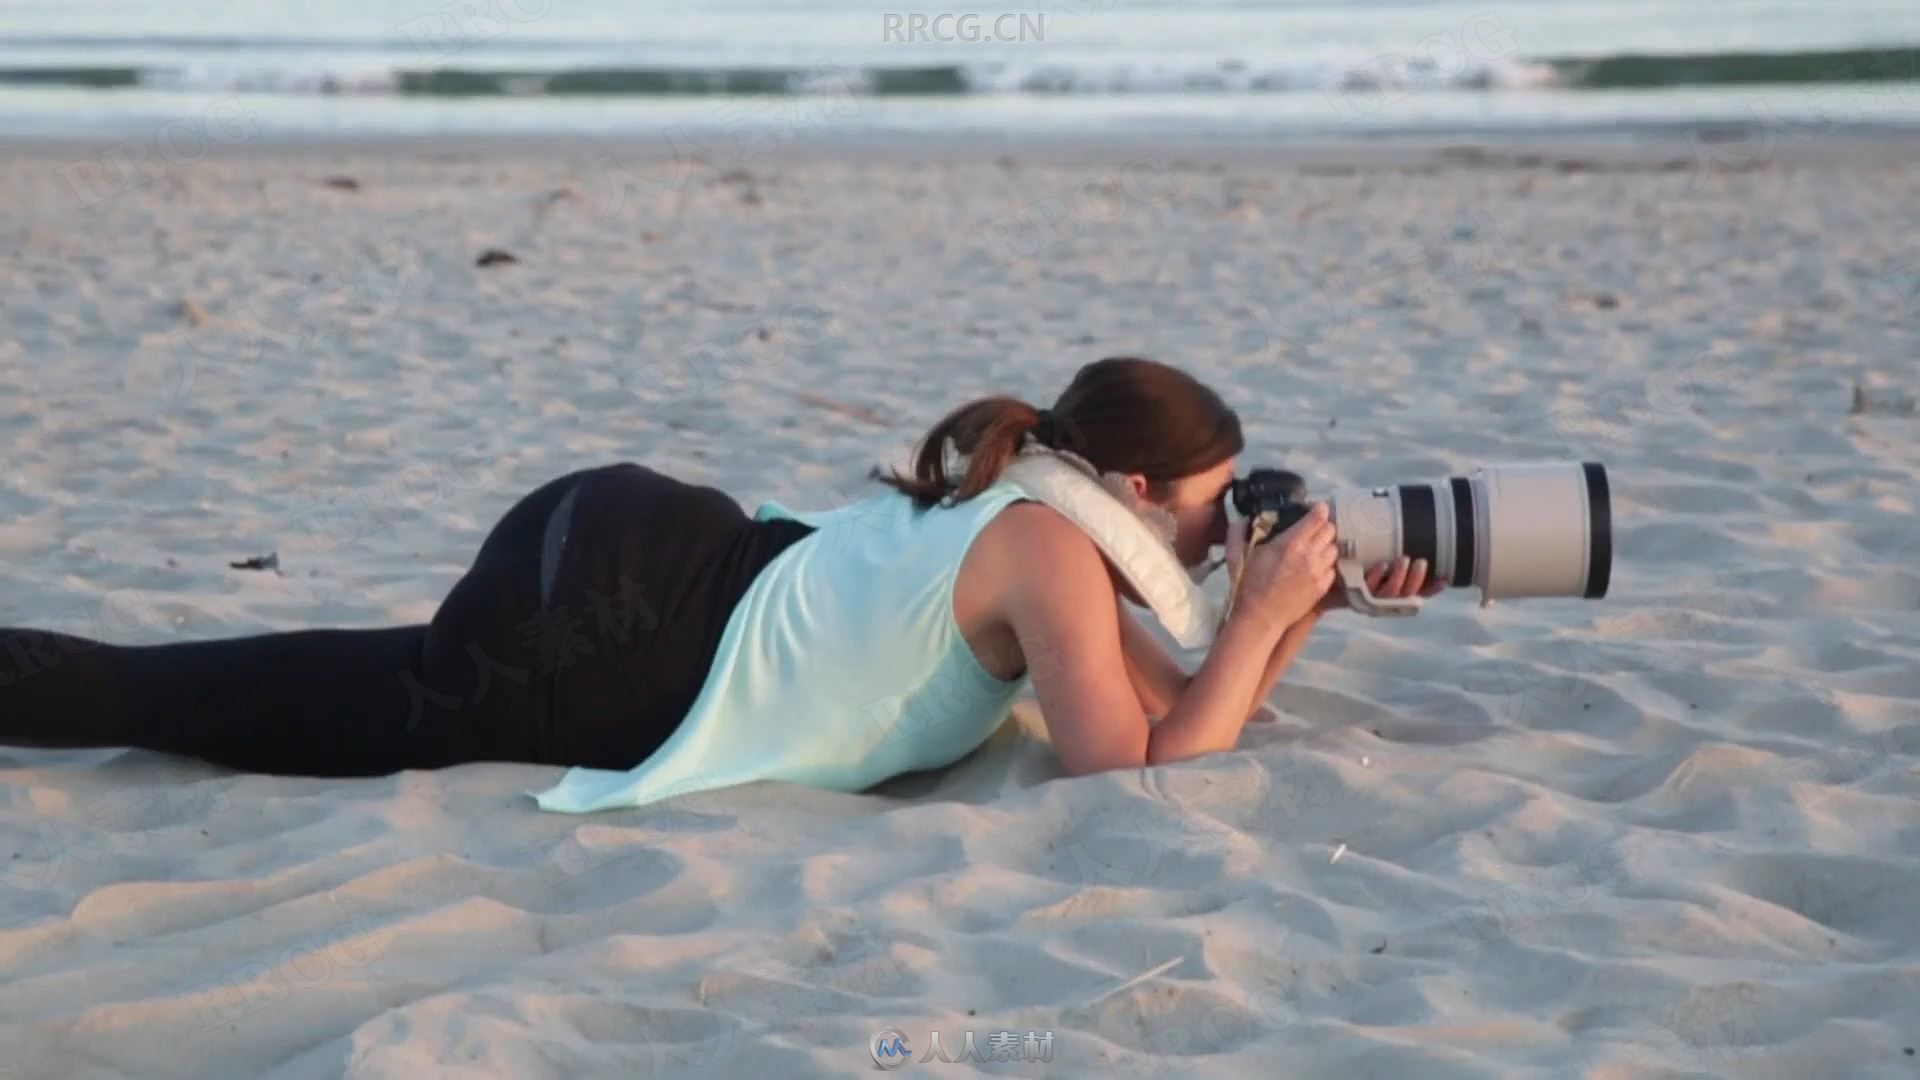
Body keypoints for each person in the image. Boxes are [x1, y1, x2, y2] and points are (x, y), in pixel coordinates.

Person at [0, 357, 1442, 811]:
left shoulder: (1037, 513)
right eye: (1204, 512)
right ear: (1133, 493)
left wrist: (1289, 613)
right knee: (310, 710)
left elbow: (1193, 710)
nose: (1209, 541)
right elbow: (1135, 774)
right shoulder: (1050, 552)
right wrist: (1254, 619)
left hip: (648, 556)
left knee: (341, 684)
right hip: (623, 614)